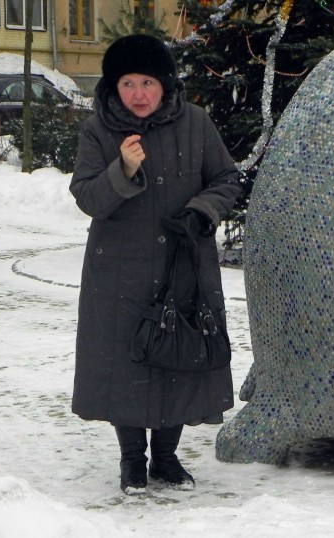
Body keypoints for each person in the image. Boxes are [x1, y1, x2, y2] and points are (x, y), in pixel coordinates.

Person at [69, 34, 242, 495]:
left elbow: (227, 179)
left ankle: (166, 458)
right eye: (128, 83)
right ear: (113, 87)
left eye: (148, 81)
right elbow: (87, 197)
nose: (139, 93)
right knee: (125, 363)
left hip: (183, 264)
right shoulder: (98, 130)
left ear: (165, 84)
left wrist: (202, 211)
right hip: (118, 270)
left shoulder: (196, 123)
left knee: (180, 356)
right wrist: (121, 170)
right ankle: (132, 462)